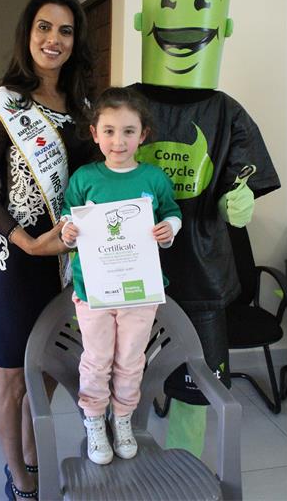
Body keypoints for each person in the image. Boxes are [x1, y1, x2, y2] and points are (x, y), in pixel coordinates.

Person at [127, 0, 282, 456]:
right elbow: (90, 179)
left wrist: (241, 199)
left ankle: (186, 469)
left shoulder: (226, 111)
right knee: (128, 374)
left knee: (196, 381)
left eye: (201, 4)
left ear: (224, 26)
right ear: (144, 20)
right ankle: (131, 458)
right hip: (131, 269)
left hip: (202, 274)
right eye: (168, 3)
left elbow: (247, 174)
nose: (186, 20)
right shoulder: (125, 106)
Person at [0, 0, 95, 500]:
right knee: (13, 378)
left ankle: (35, 456)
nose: (53, 39)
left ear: (75, 41)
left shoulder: (84, 107)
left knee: (51, 370)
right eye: (44, 27)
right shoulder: (3, 106)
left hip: (67, 260)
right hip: (15, 261)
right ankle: (19, 479)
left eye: (65, 30)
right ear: (28, 33)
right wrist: (26, 242)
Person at [60, 87, 182, 465]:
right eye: (109, 131)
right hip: (93, 290)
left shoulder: (154, 178)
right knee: (97, 359)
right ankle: (95, 421)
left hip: (139, 291)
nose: (118, 141)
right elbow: (68, 216)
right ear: (94, 133)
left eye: (129, 131)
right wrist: (68, 232)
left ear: (143, 135)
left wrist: (169, 229)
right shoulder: (85, 178)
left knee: (130, 359)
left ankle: (123, 418)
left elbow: (172, 212)